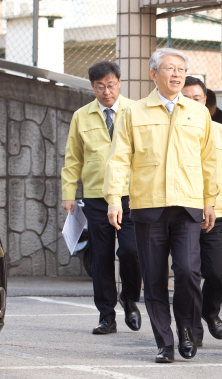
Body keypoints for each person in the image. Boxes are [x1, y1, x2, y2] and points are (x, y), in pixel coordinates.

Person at [103, 48, 218, 364]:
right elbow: (118, 159)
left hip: (188, 206)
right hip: (148, 206)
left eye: (181, 68)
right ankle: (164, 342)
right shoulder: (134, 113)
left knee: (188, 272)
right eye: (170, 68)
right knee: (153, 278)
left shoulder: (199, 113)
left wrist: (212, 202)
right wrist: (114, 199)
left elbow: (210, 162)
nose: (177, 74)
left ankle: (185, 329)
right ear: (154, 74)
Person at [61, 60, 142, 335]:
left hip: (132, 195)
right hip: (96, 196)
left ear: (119, 82)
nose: (107, 92)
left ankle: (130, 299)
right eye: (100, 87)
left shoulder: (136, 111)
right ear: (92, 87)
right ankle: (106, 315)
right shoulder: (81, 116)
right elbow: (73, 158)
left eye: (111, 85)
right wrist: (69, 194)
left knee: (132, 251)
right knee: (101, 258)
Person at [181, 76, 222, 347]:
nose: (191, 103)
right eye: (185, 99)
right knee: (189, 273)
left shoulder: (221, 133)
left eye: (196, 98)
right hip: (184, 214)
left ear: (206, 102)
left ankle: (210, 312)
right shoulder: (174, 135)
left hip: (217, 214)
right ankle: (193, 327)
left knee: (218, 274)